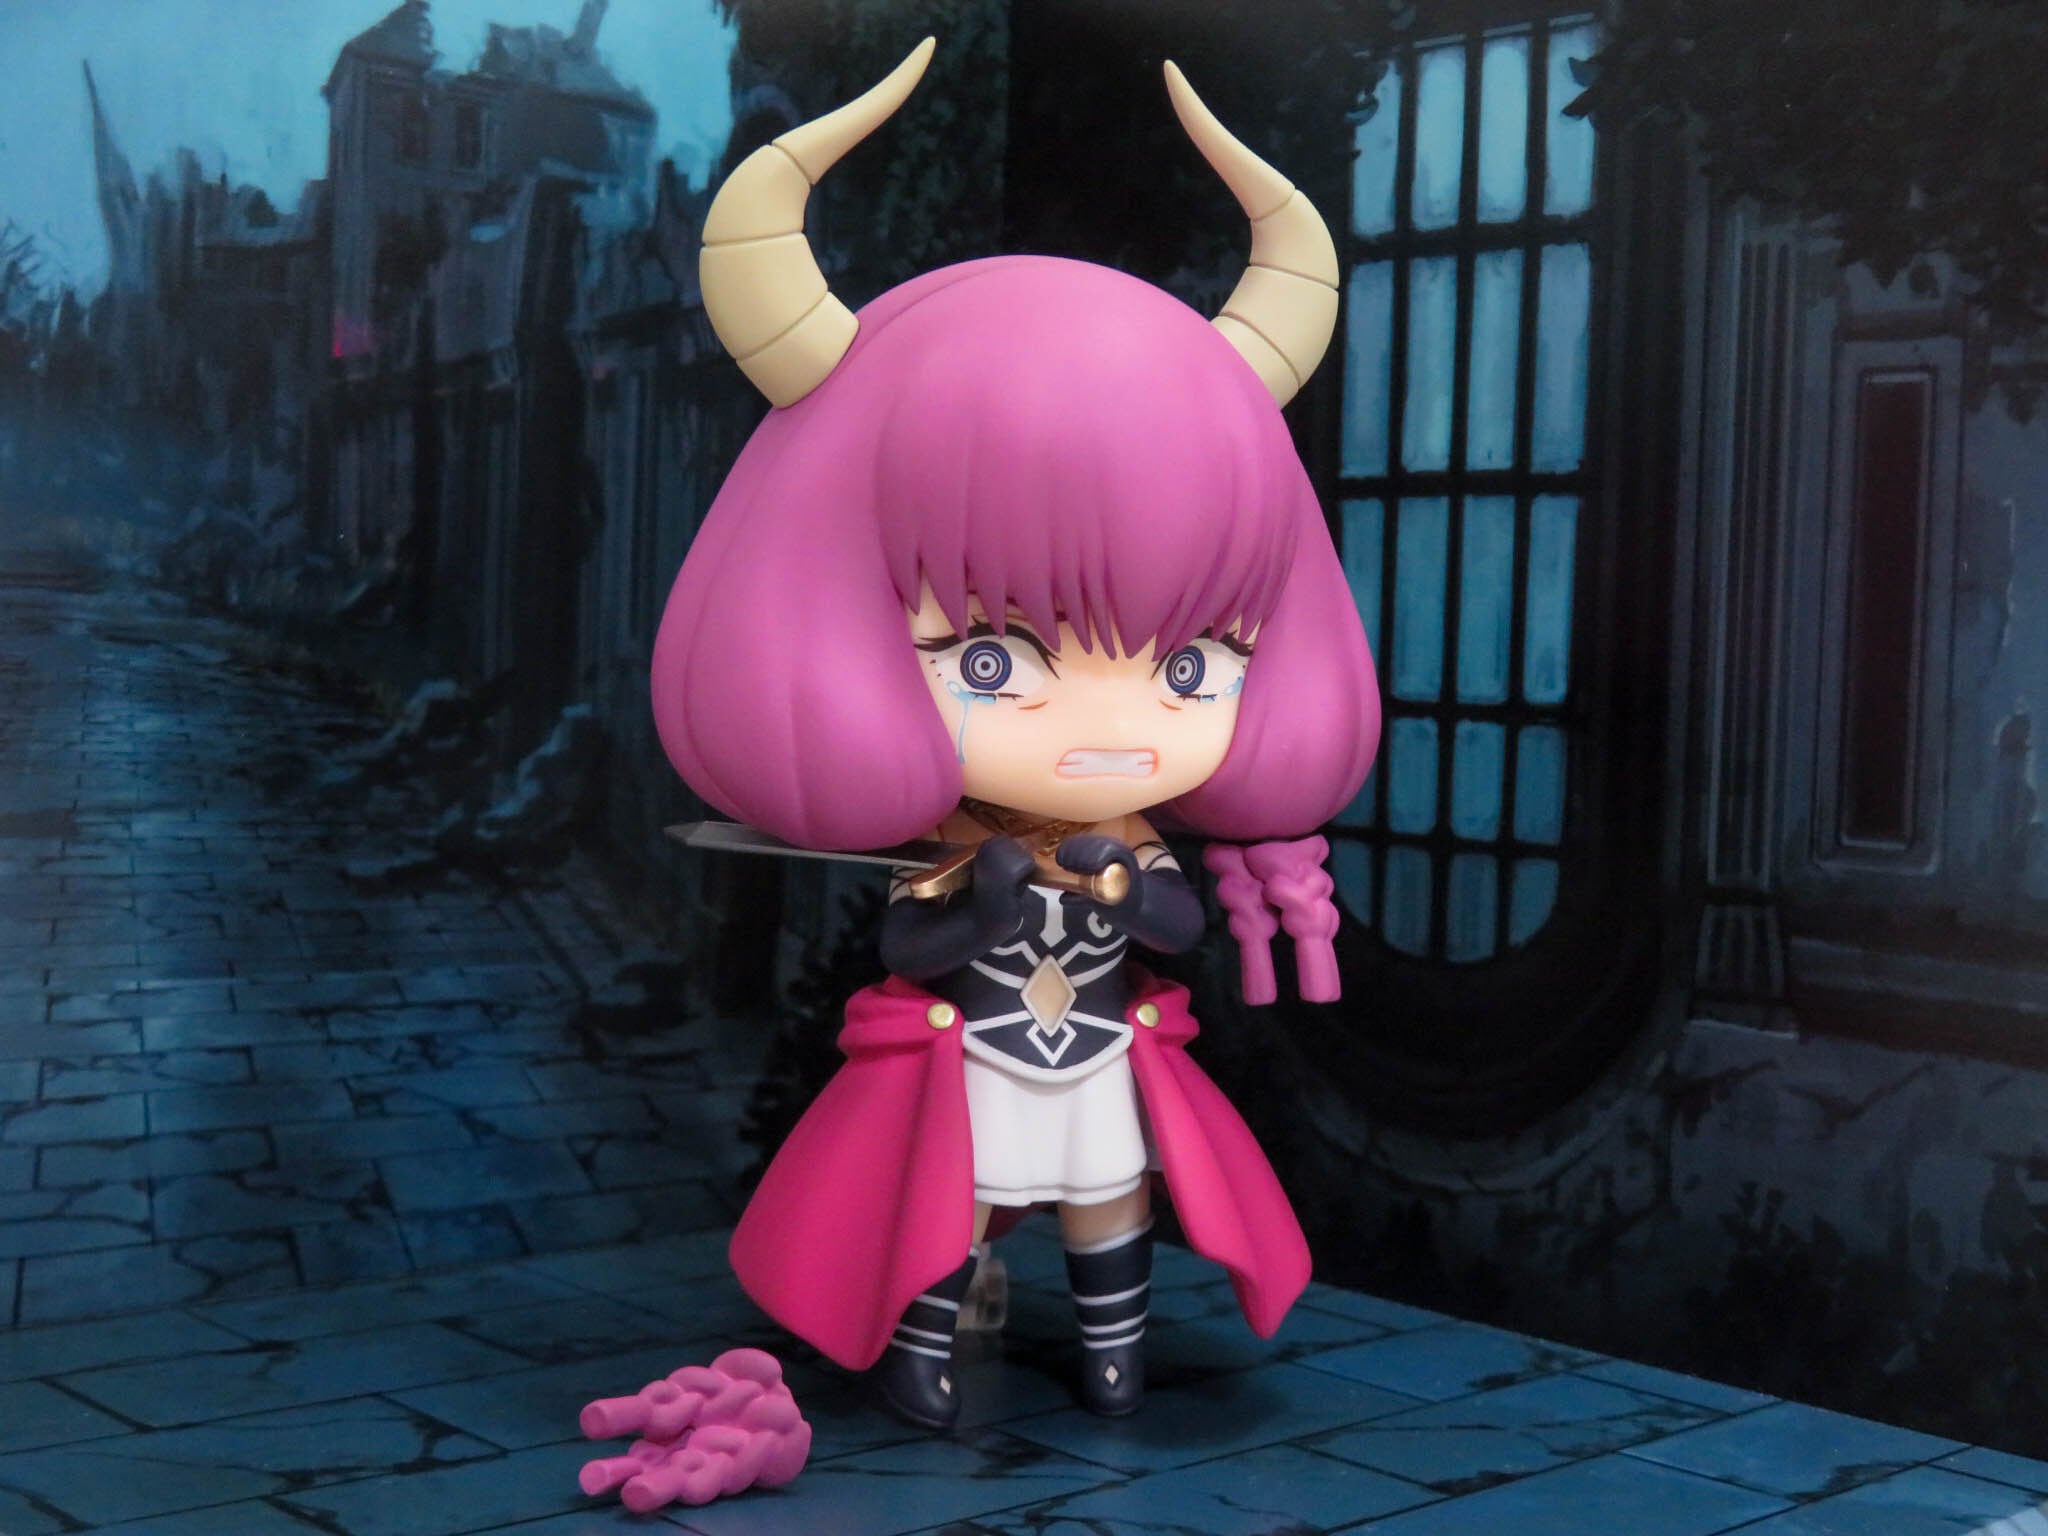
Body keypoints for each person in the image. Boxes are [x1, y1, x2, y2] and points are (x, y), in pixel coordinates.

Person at [651, 39, 1380, 1428]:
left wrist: (1139, 895)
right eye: (993, 660)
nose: (1112, 726)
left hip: (1095, 1057)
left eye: (1191, 662)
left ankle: (1113, 1354)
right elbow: (912, 944)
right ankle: (924, 1348)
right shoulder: (957, 834)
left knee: (1113, 1194)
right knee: (955, 1201)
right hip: (973, 1066)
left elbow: (1174, 925)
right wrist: (984, 896)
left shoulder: (1132, 827)